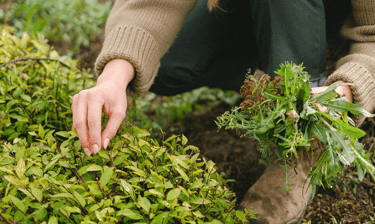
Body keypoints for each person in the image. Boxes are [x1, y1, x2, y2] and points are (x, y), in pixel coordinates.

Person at [71, 0, 375, 223]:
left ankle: (302, 134)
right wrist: (113, 77)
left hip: (333, 16)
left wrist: (346, 87)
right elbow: (150, 4)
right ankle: (273, 82)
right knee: (168, 61)